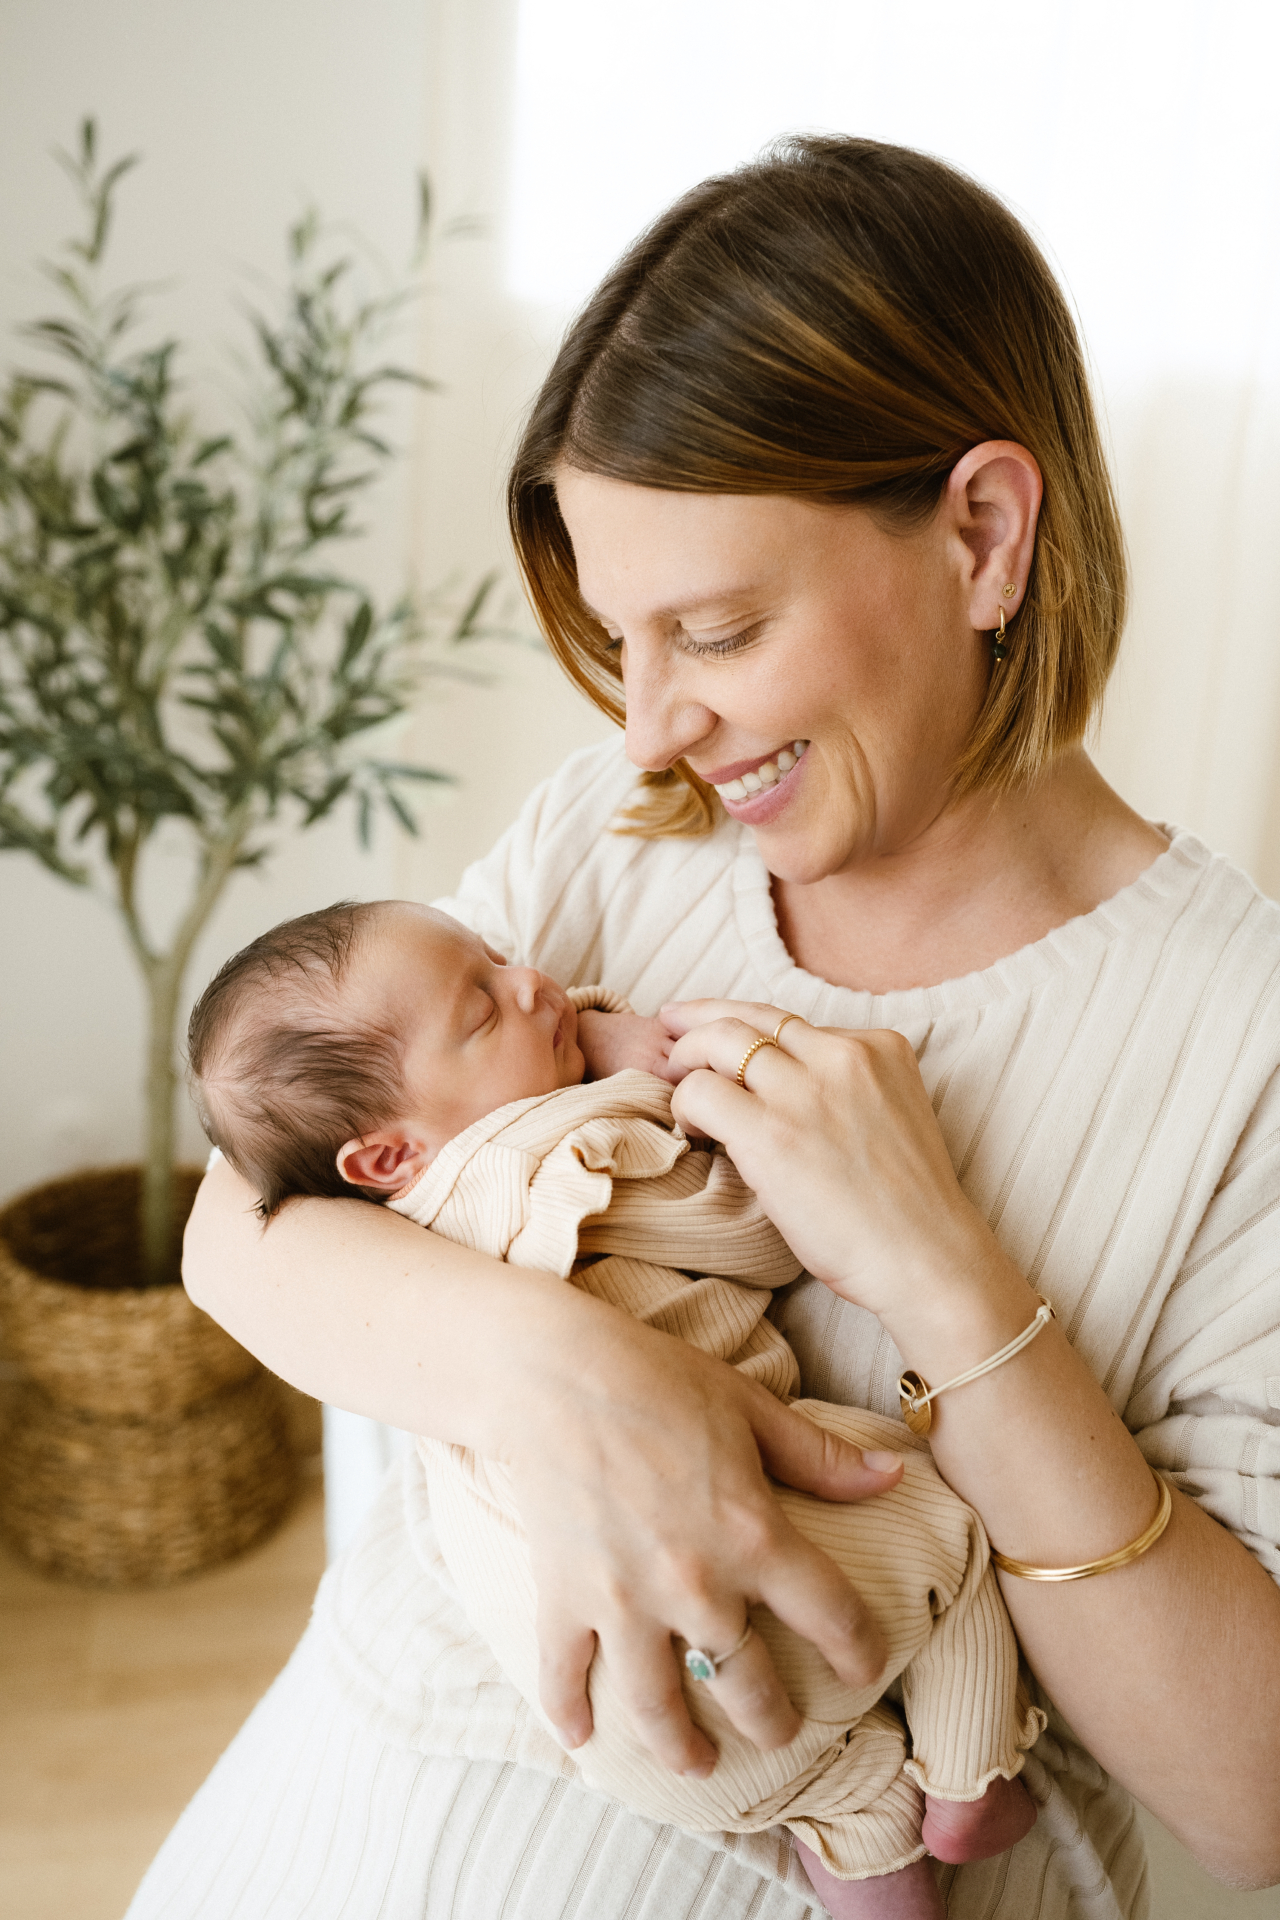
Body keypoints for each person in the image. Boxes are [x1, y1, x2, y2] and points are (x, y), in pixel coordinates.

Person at [129, 135, 1280, 1920]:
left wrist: (953, 1289)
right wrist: (581, 1382)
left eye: (720, 631)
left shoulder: (1240, 1042)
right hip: (324, 1821)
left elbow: (1256, 1807)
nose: (652, 727)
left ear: (984, 535)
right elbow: (245, 1220)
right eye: (623, 641)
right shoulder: (614, 837)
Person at [182, 896, 1048, 1918]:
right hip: (758, 1607)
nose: (531, 983)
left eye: (499, 958)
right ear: (385, 1157)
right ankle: (970, 1777)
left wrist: (559, 1034)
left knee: (828, 1785)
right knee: (944, 1527)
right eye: (483, 1009)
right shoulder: (562, 1156)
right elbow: (758, 1238)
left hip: (610, 1717)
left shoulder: (388, 1234)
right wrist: (664, 1087)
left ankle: (862, 1831)